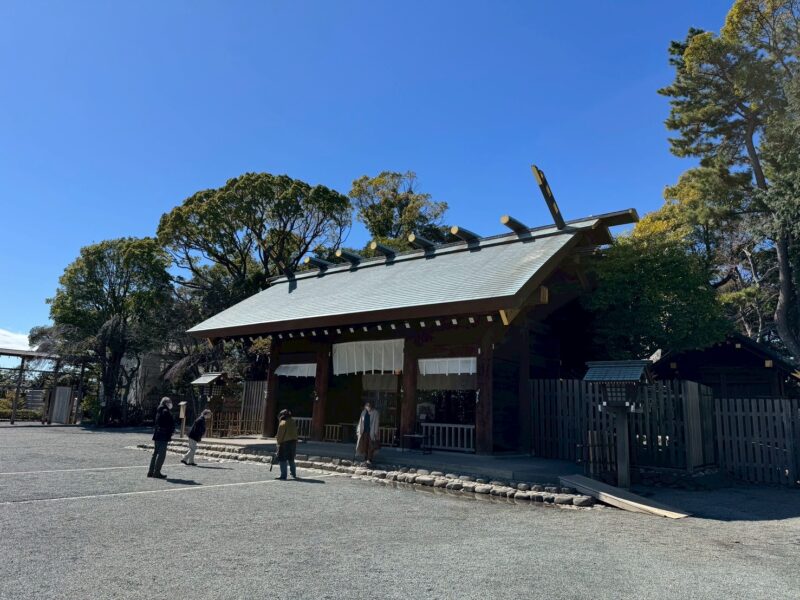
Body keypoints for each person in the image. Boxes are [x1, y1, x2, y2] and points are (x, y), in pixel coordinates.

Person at [148, 397, 175, 479]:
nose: (171, 403)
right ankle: (157, 472)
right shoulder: (165, 411)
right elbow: (168, 424)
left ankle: (151, 471)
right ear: (166, 403)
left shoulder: (159, 410)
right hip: (163, 435)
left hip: (157, 434)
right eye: (170, 402)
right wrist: (171, 431)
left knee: (155, 453)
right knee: (161, 454)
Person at [275, 409, 299, 480]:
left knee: (282, 459)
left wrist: (278, 443)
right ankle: (293, 474)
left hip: (285, 443)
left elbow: (280, 435)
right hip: (293, 442)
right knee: (291, 459)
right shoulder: (293, 421)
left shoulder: (283, 423)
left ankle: (283, 475)